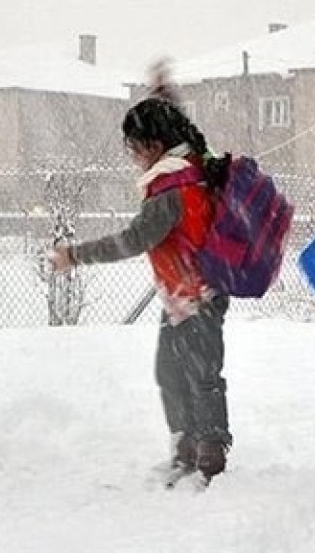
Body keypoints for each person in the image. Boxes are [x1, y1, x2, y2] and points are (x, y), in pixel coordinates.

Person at [48, 80, 234, 487]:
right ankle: (188, 445)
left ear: (152, 145)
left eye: (132, 146)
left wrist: (76, 254)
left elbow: (134, 239)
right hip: (186, 296)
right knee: (172, 372)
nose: (131, 155)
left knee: (200, 377)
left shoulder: (172, 186)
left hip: (197, 296)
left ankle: (209, 455)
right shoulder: (191, 168)